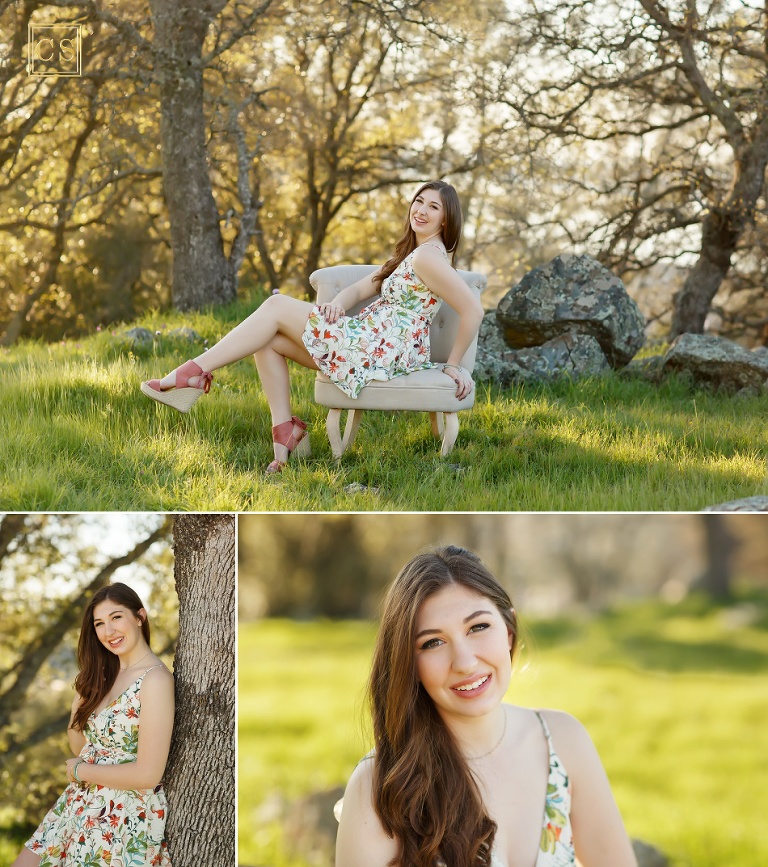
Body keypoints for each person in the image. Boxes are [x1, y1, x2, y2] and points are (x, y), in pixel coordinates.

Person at [140, 180, 484, 473]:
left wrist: (454, 365)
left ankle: (191, 374)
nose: (421, 211)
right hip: (371, 342)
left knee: (275, 305)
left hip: (378, 348)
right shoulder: (415, 252)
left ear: (445, 219)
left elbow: (473, 310)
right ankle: (285, 434)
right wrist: (336, 303)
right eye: (419, 201)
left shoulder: (428, 256)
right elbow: (364, 288)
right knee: (269, 340)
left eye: (433, 207)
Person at [335, 546, 638, 867]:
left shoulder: (564, 742)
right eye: (432, 643)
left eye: (478, 627)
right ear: (408, 664)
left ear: (508, 631)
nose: (465, 663)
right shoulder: (381, 786)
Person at [12, 583, 174, 867]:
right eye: (99, 623)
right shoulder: (104, 675)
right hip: (78, 802)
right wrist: (79, 704)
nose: (108, 631)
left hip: (121, 814)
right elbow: (84, 747)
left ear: (140, 617)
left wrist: (80, 770)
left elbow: (148, 774)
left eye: (116, 617)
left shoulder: (155, 680)